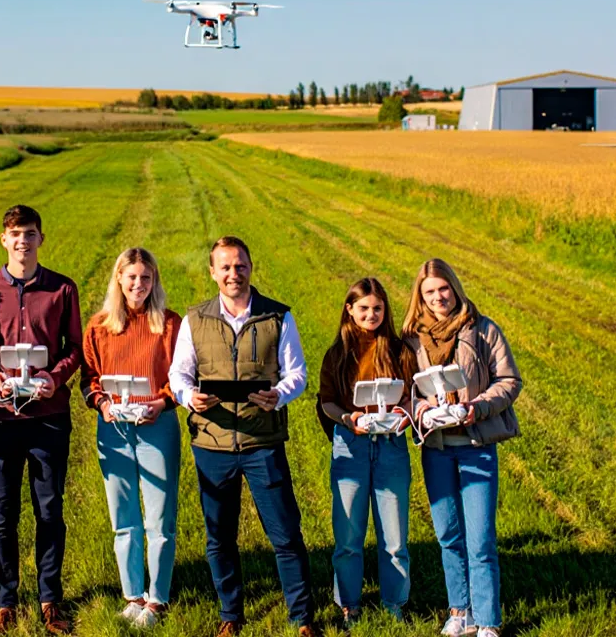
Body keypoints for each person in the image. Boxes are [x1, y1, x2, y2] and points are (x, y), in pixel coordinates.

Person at [168, 236, 320, 637]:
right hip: (212, 444)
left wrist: (279, 395)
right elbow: (178, 374)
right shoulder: (195, 319)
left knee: (286, 534)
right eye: (225, 267)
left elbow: (297, 373)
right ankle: (230, 615)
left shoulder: (277, 317)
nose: (233, 274)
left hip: (262, 442)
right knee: (220, 537)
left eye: (240, 266)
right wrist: (189, 397)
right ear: (213, 272)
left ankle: (302, 618)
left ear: (251, 267)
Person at [0, 205, 83, 635]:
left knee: (49, 509)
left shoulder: (62, 289)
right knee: (3, 512)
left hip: (48, 416)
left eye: (30, 233)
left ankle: (50, 598)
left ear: (40, 239)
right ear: (3, 239)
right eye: (15, 233)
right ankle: (6, 600)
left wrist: (56, 377)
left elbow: (75, 348)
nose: (22, 241)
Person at [403, 258, 523, 637]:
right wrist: (417, 407)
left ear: (454, 287)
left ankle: (488, 621)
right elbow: (401, 389)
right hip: (436, 449)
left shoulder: (483, 330)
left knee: (481, 538)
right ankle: (461, 612)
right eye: (429, 292)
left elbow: (509, 380)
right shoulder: (411, 338)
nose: (438, 297)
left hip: (476, 447)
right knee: (448, 535)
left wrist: (479, 407)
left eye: (443, 288)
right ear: (419, 298)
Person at [80, 248, 183, 629]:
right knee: (124, 516)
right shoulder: (99, 326)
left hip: (157, 425)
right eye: (132, 277)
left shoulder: (170, 325)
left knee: (159, 516)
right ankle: (132, 594)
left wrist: (162, 402)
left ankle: (157, 599)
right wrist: (103, 404)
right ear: (119, 279)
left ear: (154, 281)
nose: (139, 284)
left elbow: (182, 377)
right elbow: (89, 379)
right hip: (115, 429)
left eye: (146, 278)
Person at [316, 277, 416, 629]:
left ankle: (394, 603)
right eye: (363, 308)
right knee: (348, 535)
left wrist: (404, 414)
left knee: (394, 535)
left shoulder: (400, 351)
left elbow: (412, 397)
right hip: (352, 443)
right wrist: (348, 417)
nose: (371, 314)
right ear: (350, 310)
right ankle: (349, 604)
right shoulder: (338, 354)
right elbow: (325, 401)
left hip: (390, 446)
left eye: (377, 308)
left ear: (385, 310)